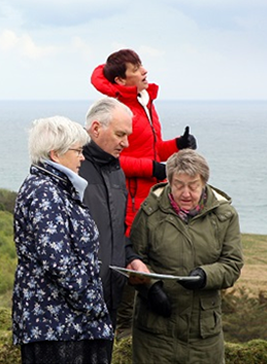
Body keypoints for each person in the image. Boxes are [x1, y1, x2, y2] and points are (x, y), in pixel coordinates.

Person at [90, 48, 197, 336]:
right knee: (126, 264)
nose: (144, 71)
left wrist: (177, 145)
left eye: (141, 65)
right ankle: (120, 335)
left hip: (147, 199)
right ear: (122, 81)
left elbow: (150, 149)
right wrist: (153, 169)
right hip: (125, 200)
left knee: (144, 257)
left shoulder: (143, 102)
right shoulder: (113, 108)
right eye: (136, 68)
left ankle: (135, 332)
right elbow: (110, 159)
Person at [12, 116, 113, 364]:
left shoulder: (54, 187)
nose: (82, 157)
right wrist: (91, 302)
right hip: (57, 324)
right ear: (55, 154)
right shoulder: (45, 190)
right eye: (78, 150)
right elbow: (57, 261)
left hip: (63, 322)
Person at [129, 149, 243, 363]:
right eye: (179, 185)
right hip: (154, 332)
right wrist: (150, 287)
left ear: (204, 183)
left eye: (193, 186)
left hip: (203, 335)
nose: (186, 193)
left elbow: (233, 264)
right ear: (169, 181)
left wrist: (205, 275)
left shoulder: (225, 215)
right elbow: (133, 257)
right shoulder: (149, 211)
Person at [79, 97, 150, 335]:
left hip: (110, 298)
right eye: (121, 134)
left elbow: (115, 232)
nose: (126, 143)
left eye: (128, 135)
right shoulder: (72, 168)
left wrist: (131, 258)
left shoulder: (117, 170)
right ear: (96, 128)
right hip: (75, 303)